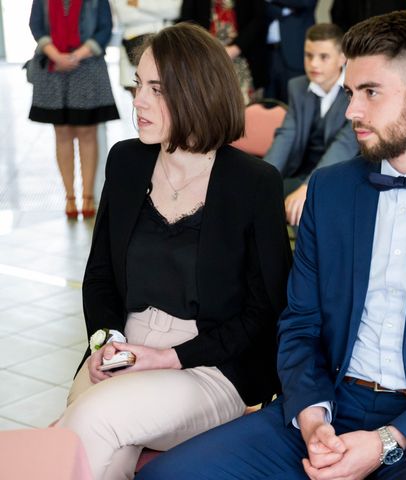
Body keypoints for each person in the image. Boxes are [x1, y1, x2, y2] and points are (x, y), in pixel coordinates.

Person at [138, 11, 406, 480]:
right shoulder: (329, 190)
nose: (351, 111)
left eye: (371, 92)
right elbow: (300, 322)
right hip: (330, 403)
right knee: (166, 477)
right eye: (351, 93)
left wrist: (387, 441)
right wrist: (311, 414)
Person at [54, 23, 292, 480]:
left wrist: (167, 358)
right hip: (126, 346)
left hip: (209, 366)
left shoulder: (253, 183)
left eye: (156, 89)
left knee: (92, 420)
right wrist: (106, 342)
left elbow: (264, 311)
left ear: (196, 94)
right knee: (96, 442)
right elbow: (100, 274)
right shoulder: (126, 161)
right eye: (138, 84)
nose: (137, 100)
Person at [28, 0, 119, 219]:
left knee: (87, 132)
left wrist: (75, 56)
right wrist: (56, 55)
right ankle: (69, 196)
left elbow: (104, 29)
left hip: (87, 66)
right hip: (52, 66)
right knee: (62, 132)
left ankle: (88, 196)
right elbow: (36, 25)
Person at [264, 23, 359, 227]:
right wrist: (263, 176)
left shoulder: (356, 92)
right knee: (258, 198)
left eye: (323, 57)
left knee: (306, 210)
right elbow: (285, 137)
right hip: (300, 172)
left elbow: (344, 147)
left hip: (340, 176)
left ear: (342, 58)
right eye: (309, 55)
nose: (314, 64)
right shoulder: (297, 87)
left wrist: (309, 187)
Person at [179, 0, 268, 104]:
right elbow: (186, 21)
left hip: (242, 57)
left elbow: (259, 18)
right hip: (205, 58)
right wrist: (203, 49)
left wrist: (236, 48)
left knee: (244, 107)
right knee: (208, 107)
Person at [110, 0, 181, 95]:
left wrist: (138, 3)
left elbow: (175, 10)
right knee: (140, 99)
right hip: (132, 47)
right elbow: (125, 15)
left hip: (167, 48)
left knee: (167, 94)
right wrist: (161, 12)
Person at [264, 0, 317, 103]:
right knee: (267, 106)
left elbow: (307, 2)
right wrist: (282, 11)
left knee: (295, 104)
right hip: (267, 53)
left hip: (295, 52)